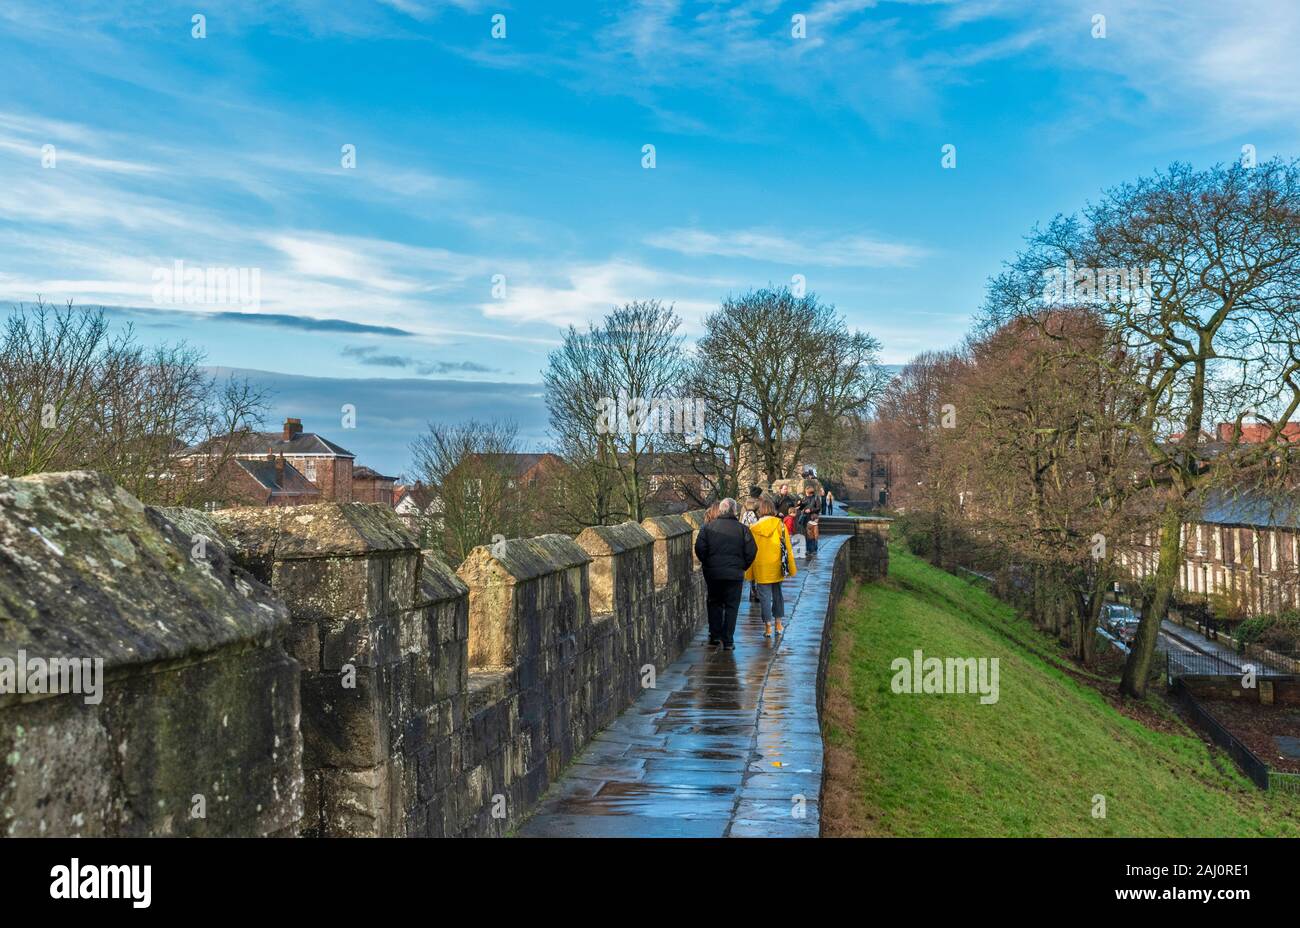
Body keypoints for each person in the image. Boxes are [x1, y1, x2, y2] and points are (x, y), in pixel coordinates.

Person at [693, 497, 757, 650]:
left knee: (714, 602)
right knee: (731, 606)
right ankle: (728, 641)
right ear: (734, 511)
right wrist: (742, 566)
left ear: (720, 510)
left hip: (713, 573)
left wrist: (708, 563)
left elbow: (699, 548)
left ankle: (715, 636)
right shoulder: (743, 529)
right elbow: (752, 551)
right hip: (735, 574)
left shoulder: (707, 528)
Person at [745, 496, 796, 638]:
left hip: (760, 566)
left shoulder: (753, 528)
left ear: (760, 511)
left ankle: (768, 627)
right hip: (777, 564)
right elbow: (788, 548)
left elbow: (750, 550)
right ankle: (778, 623)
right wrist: (791, 567)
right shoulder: (780, 525)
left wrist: (749, 572)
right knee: (778, 594)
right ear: (773, 510)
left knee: (764, 597)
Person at [802, 485, 821, 555]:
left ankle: (814, 550)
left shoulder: (816, 498)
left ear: (809, 492)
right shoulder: (804, 498)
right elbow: (802, 507)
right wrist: (803, 509)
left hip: (813, 518)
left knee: (814, 534)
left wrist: (810, 510)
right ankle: (808, 549)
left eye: (806, 492)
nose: (806, 493)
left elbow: (818, 508)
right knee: (807, 534)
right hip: (806, 518)